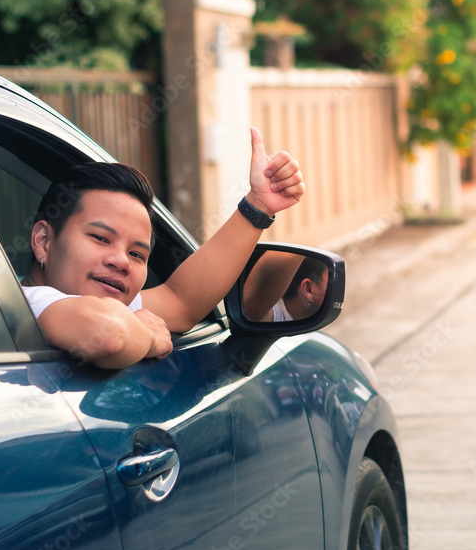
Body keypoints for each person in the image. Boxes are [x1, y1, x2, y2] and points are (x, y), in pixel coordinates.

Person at [20, 127, 303, 369]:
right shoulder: (30, 302)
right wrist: (149, 336)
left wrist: (258, 207)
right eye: (101, 238)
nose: (121, 261)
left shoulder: (94, 299)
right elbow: (108, 334)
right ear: (43, 240)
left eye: (137, 254)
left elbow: (181, 301)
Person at [242, 253, 329, 322]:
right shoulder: (275, 314)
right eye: (330, 280)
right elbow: (251, 309)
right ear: (308, 289)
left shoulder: (307, 324)